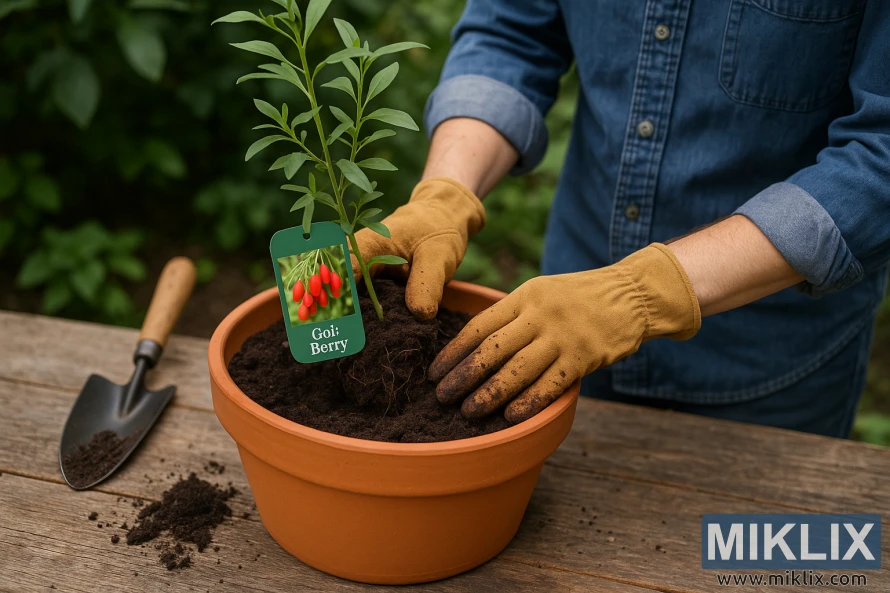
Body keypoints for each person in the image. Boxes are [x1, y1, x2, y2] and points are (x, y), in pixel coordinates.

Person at [353, 0, 890, 438]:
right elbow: (511, 35)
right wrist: (447, 193)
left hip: (768, 370)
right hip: (560, 329)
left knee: (753, 568)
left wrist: (645, 292)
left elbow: (880, 154)